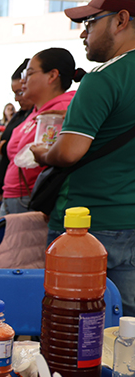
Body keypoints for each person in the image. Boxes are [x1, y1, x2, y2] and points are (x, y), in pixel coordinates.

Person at [31, 0, 135, 316]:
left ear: (120, 20)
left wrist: (44, 153)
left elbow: (69, 151)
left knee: (72, 324)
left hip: (87, 224)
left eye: (90, 23)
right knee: (126, 329)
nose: (83, 34)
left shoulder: (103, 77)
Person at [1, 48, 82, 216]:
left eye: (29, 74)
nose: (23, 81)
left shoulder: (60, 110)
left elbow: (57, 155)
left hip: (32, 198)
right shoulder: (37, 111)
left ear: (52, 76)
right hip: (16, 197)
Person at [0, 59, 33, 220]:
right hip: (11, 189)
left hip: (23, 191)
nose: (18, 98)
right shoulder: (20, 115)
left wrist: (3, 148)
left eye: (21, 92)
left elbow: (25, 150)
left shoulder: (38, 115)